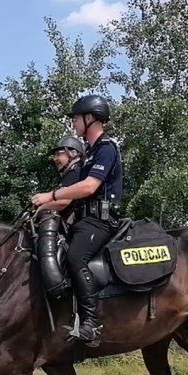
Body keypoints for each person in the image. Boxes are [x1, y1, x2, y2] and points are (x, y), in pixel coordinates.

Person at [31, 95, 123, 345]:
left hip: (100, 221)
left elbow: (88, 187)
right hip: (85, 220)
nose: (73, 122)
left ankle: (91, 324)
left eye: (76, 117)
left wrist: (50, 195)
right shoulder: (91, 153)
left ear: (89, 118)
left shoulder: (106, 149)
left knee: (75, 257)